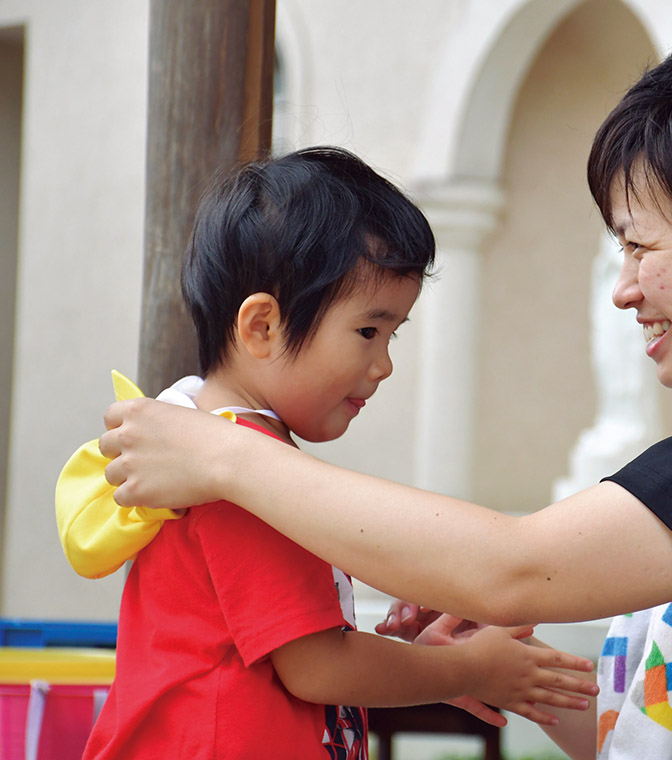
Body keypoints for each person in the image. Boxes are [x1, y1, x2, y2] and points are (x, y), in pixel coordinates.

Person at [96, 23, 672, 760]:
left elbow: (514, 567)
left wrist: (219, 453)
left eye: (641, 247)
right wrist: (496, 672)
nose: (623, 289)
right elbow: (656, 725)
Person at [58, 147, 597, 760]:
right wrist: (472, 670)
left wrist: (414, 661)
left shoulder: (218, 447)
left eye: (393, 335)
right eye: (369, 331)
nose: (385, 364)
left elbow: (294, 667)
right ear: (262, 326)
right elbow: (316, 668)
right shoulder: (235, 472)